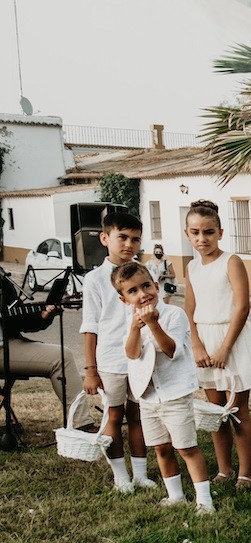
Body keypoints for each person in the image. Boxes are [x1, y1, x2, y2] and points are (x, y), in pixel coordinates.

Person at [181, 199, 251, 490]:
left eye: (208, 232)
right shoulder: (192, 268)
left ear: (220, 233)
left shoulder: (231, 262)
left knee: (236, 410)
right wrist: (197, 345)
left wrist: (225, 348)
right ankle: (224, 469)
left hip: (231, 340)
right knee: (214, 410)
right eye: (195, 232)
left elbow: (241, 307)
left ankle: (246, 472)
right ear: (187, 234)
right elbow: (189, 310)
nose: (201, 239)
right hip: (205, 342)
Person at [113, 262, 214, 514]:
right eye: (133, 291)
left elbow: (172, 351)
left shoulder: (173, 315)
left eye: (146, 286)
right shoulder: (131, 320)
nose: (142, 294)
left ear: (156, 286)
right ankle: (176, 495)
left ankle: (204, 500)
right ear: (124, 299)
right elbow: (132, 354)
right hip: (148, 396)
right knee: (161, 447)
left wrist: (153, 325)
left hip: (174, 394)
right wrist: (136, 329)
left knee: (186, 447)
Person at [79, 210, 155, 493]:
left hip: (141, 358)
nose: (128, 245)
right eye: (122, 237)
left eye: (135, 239)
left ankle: (140, 474)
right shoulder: (95, 280)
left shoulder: (144, 274)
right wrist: (91, 370)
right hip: (110, 358)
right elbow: (91, 326)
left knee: (138, 414)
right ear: (104, 238)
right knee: (113, 415)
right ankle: (120, 476)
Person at [2, 268, 81, 410]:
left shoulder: (2, 279)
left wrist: (43, 315)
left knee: (62, 356)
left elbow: (16, 318)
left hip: (6, 346)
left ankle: (80, 425)